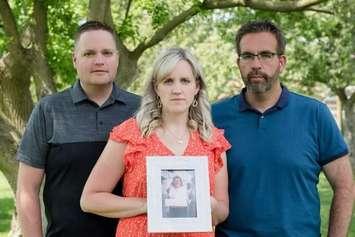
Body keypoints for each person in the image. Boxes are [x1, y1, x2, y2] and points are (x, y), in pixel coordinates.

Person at [212, 20, 355, 237]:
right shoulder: (213, 117)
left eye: (266, 55)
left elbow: (344, 185)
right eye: (248, 56)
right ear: (238, 62)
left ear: (281, 62)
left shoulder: (315, 114)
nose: (256, 64)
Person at [80, 47, 231, 237]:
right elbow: (90, 200)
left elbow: (221, 212)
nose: (177, 89)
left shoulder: (212, 140)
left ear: (196, 86)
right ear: (156, 87)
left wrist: (211, 205)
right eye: (168, 81)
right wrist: (153, 204)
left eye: (185, 81)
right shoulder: (132, 134)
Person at [15, 21, 140, 237]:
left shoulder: (142, 110)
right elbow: (27, 190)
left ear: (117, 58)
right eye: (89, 53)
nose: (99, 60)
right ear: (75, 59)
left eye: (107, 53)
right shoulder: (49, 110)